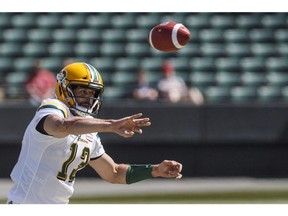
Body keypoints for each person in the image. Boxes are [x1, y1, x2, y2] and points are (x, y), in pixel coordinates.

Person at [7, 62, 183, 204]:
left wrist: (154, 170)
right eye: (82, 91)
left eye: (92, 93)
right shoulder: (52, 107)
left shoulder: (89, 130)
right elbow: (61, 126)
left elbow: (113, 172)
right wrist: (112, 125)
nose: (88, 98)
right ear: (64, 89)